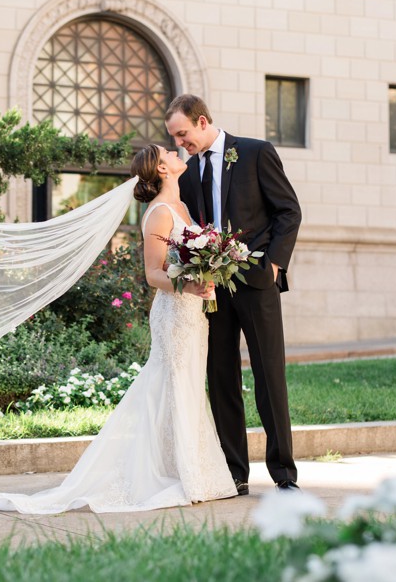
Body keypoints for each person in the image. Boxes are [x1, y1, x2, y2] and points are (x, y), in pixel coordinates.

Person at [0, 144, 237, 513]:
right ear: (163, 169)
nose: (176, 150)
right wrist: (191, 285)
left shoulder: (182, 207)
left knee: (189, 385)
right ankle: (183, 474)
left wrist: (206, 275)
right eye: (169, 151)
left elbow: (183, 260)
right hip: (174, 313)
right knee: (173, 383)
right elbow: (153, 275)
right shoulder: (160, 214)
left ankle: (188, 470)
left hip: (193, 313)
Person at [165, 93, 302, 493]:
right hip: (211, 291)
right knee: (221, 376)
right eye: (175, 138)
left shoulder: (257, 153)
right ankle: (234, 472)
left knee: (269, 376)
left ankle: (284, 473)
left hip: (258, 284)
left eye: (184, 134)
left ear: (203, 122)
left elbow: (288, 211)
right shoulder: (188, 175)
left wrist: (273, 265)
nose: (180, 144)